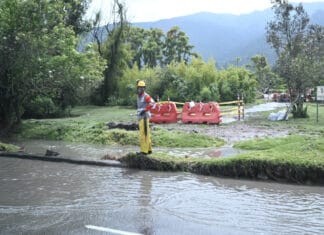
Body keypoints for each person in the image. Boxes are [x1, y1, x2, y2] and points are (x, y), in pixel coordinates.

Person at [136, 80, 155, 155]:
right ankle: (149, 150)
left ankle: (144, 151)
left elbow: (152, 103)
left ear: (144, 88)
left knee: (143, 134)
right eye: (139, 88)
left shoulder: (146, 96)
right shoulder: (138, 95)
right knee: (146, 133)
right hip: (140, 117)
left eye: (142, 88)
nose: (140, 89)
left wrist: (145, 110)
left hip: (144, 117)